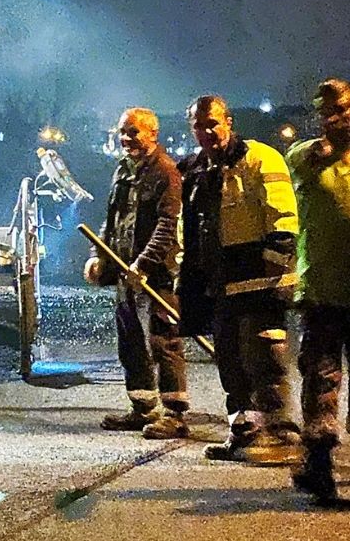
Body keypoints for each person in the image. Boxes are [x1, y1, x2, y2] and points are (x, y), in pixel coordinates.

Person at [178, 95, 300, 461]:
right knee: (230, 360)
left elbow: (283, 217)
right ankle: (245, 431)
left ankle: (282, 433)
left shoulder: (260, 158)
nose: (207, 131)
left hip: (259, 280)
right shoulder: (196, 171)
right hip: (220, 282)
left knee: (265, 355)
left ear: (229, 122)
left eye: (213, 123)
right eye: (199, 126)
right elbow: (191, 227)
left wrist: (276, 262)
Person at [85, 108, 189, 438]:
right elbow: (111, 221)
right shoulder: (122, 171)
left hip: (156, 274)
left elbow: (166, 225)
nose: (126, 138)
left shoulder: (166, 172)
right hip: (124, 274)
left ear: (152, 134)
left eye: (133, 132)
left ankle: (174, 416)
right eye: (123, 132)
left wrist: (142, 264)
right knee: (130, 342)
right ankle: (143, 408)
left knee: (163, 342)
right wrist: (98, 256)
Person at [287, 78, 350, 502]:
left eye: (342, 109)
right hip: (325, 288)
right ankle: (319, 465)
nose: (335, 118)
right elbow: (310, 156)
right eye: (326, 112)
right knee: (321, 376)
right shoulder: (307, 156)